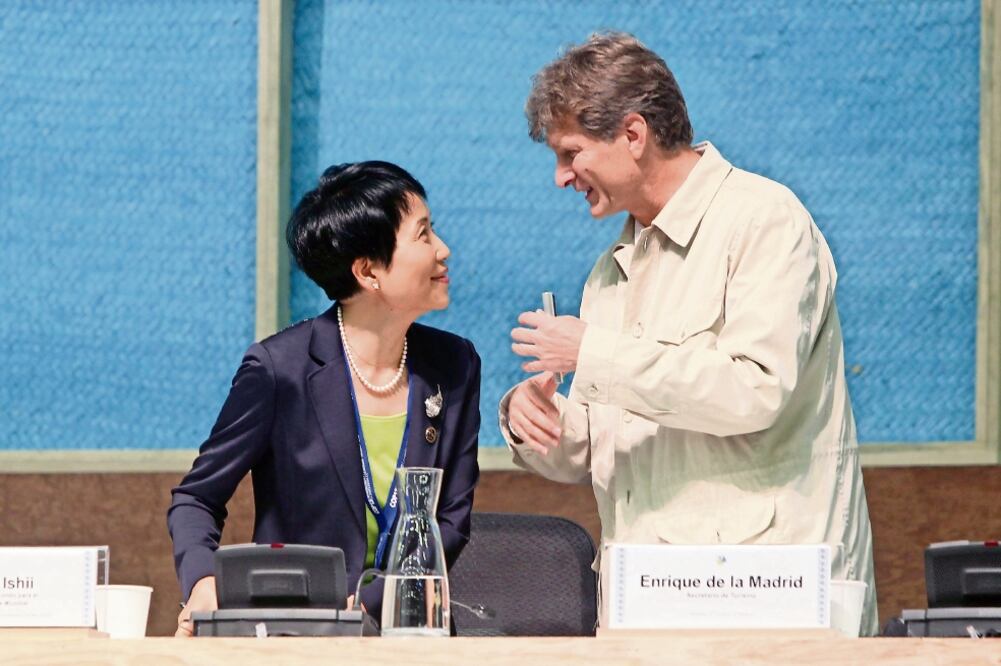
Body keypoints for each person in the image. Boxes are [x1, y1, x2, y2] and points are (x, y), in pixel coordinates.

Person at [499, 32, 877, 635]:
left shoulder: (764, 221)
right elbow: (601, 450)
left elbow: (753, 393)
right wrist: (535, 419)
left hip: (766, 607)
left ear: (632, 133)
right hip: (646, 606)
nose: (561, 176)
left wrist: (593, 352)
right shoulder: (612, 270)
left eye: (570, 152)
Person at [168, 161, 480, 636]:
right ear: (368, 271)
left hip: (413, 632)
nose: (443, 250)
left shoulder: (454, 365)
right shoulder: (280, 370)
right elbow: (196, 498)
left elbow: (451, 519)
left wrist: (370, 602)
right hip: (292, 633)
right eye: (423, 235)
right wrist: (202, 582)